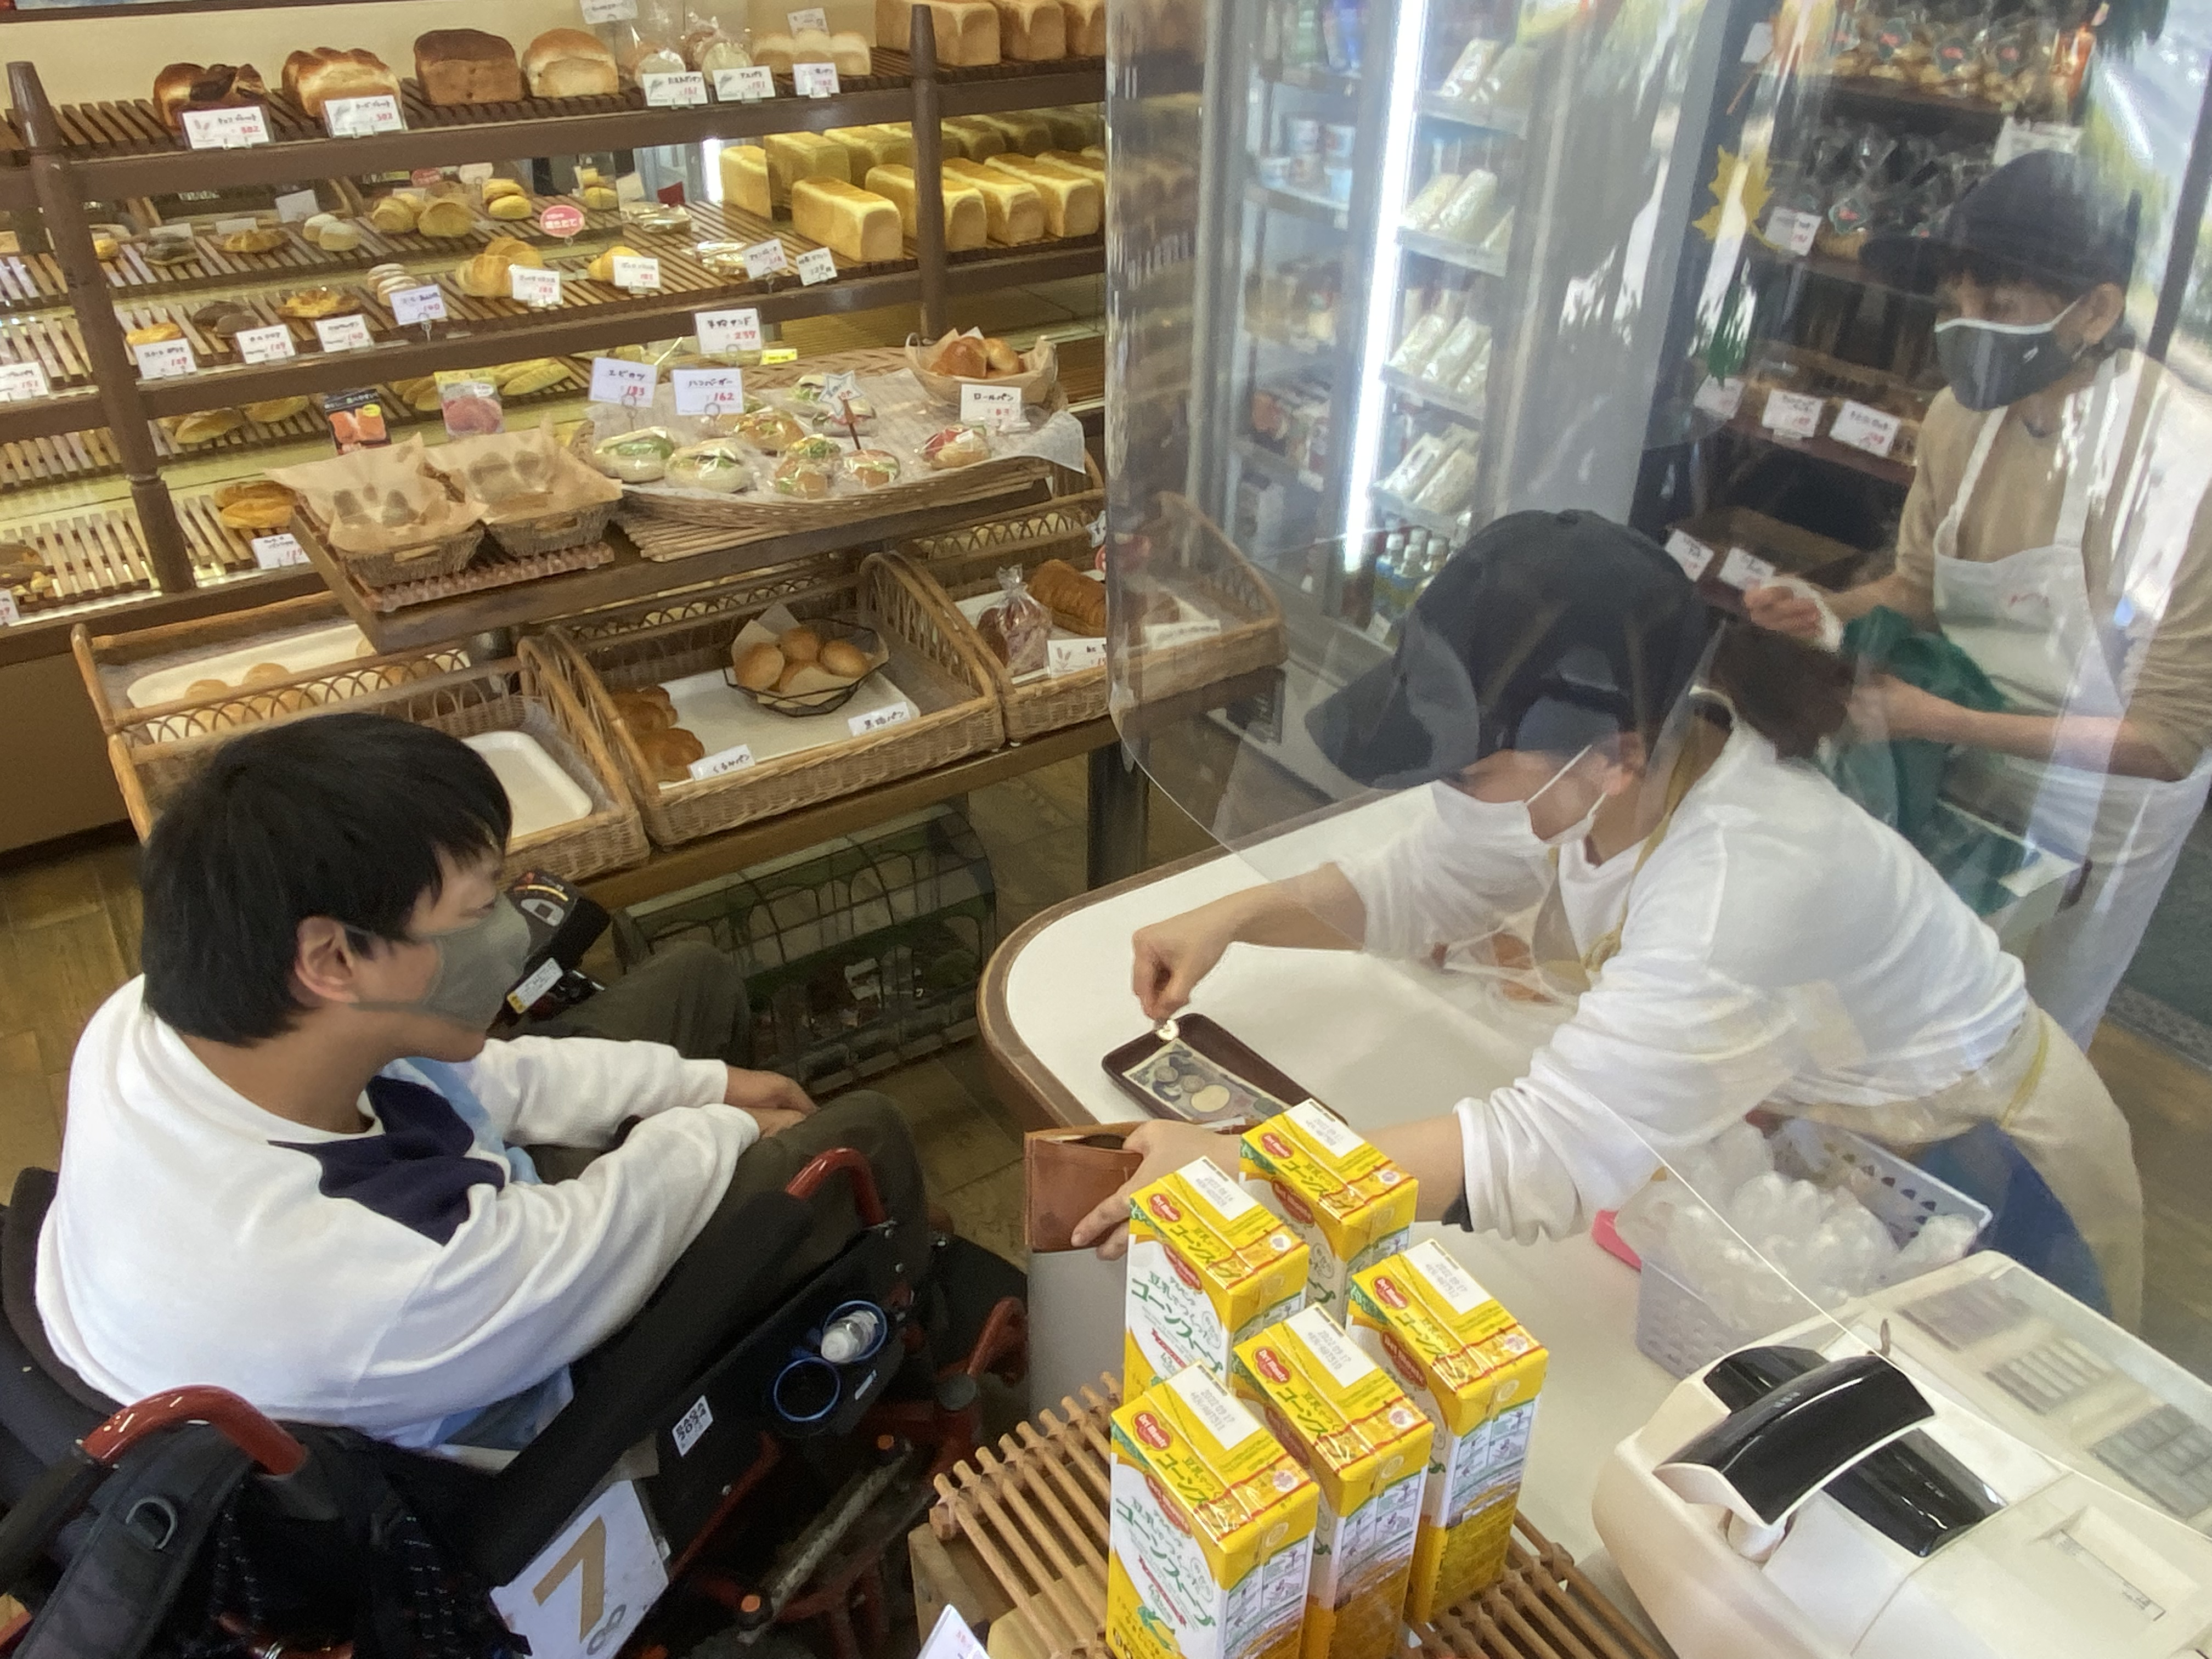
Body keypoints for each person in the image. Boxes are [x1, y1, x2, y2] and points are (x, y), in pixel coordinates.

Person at [1070, 510, 2145, 1325]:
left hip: (1984, 1154)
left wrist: (1250, 1175)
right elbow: (1426, 883)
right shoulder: (1611, 768)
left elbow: (1550, 1149)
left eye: (1474, 770)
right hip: (1820, 1122)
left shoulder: (1738, 885)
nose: (1454, 794)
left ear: (1617, 756)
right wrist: (1235, 913)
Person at [36, 714, 929, 1462]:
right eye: (478, 908)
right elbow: (582, 1242)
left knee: (695, 981)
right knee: (864, 1135)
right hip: (514, 1407)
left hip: (466, 1258)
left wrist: (703, 1083)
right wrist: (721, 1128)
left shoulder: (162, 1019)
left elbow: (465, 1079)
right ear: (334, 957)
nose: (511, 934)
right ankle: (910, 1355)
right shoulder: (372, 1276)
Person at [1747, 149, 2212, 1048]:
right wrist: (1827, 611)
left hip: (2100, 802)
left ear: (2096, 312)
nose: (1967, 331)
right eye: (1955, 305)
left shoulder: (2183, 467)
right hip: (1962, 747)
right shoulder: (1960, 422)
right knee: (1910, 999)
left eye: (1998, 306)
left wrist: (1940, 719)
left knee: (2027, 1027)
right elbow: (1922, 587)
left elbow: (2164, 742)